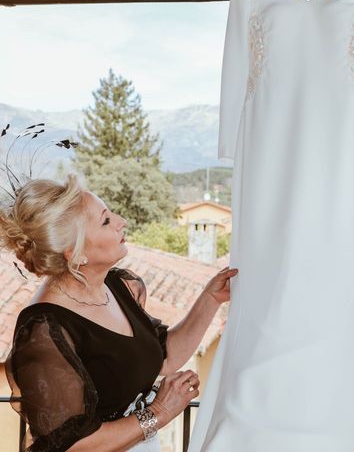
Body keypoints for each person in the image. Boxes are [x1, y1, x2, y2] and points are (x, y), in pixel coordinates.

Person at [0, 174, 238, 451]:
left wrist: (210, 298)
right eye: (105, 220)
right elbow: (73, 445)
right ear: (75, 254)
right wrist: (158, 412)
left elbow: (162, 357)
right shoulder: (44, 329)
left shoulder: (120, 286)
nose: (121, 221)